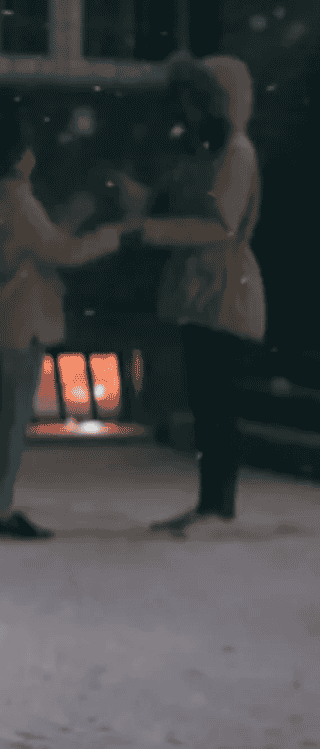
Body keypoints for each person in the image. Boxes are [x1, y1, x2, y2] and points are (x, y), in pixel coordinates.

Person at [0, 118, 134, 539]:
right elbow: (58, 251)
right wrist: (111, 236)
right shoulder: (19, 199)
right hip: (24, 315)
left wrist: (67, 221)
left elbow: (30, 243)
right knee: (12, 419)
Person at [113, 55, 266, 537]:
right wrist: (139, 203)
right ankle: (209, 504)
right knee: (205, 402)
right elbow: (173, 204)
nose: (186, 109)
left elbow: (219, 225)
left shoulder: (236, 152)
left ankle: (219, 508)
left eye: (194, 99)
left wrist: (150, 229)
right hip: (199, 291)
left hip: (223, 289)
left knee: (218, 404)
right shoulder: (202, 153)